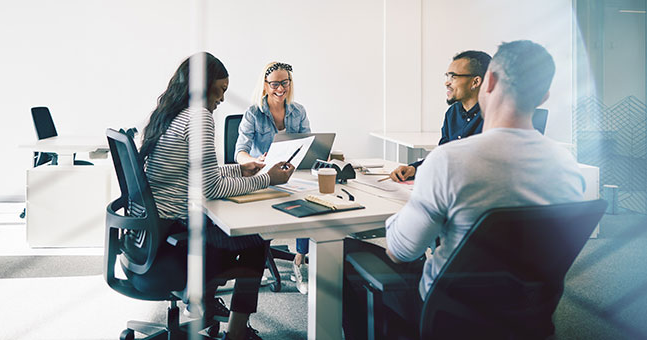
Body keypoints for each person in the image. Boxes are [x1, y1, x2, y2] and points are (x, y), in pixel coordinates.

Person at [343, 40, 586, 339]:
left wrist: (419, 203)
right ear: (544, 96)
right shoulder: (569, 168)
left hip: (448, 316)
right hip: (529, 317)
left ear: (488, 82)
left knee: (348, 253)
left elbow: (400, 251)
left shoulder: (449, 162)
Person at [139, 52, 294, 340]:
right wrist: (268, 179)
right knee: (256, 240)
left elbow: (201, 173)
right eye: (221, 90)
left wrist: (240, 169)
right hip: (174, 237)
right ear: (204, 85)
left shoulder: (172, 114)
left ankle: (206, 306)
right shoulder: (199, 117)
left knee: (230, 230)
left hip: (150, 236)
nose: (222, 98)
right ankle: (236, 331)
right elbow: (211, 188)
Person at [234, 61, 312, 294]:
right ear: (265, 86)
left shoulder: (298, 111)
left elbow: (308, 143)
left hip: (292, 174)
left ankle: (300, 259)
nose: (281, 88)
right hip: (264, 176)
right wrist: (253, 161)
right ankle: (255, 261)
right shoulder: (254, 114)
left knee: (309, 203)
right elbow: (239, 152)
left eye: (285, 82)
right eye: (275, 83)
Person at [389, 50, 492, 182]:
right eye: (447, 77)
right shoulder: (452, 113)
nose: (447, 83)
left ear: (475, 82)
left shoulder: (496, 116)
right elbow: (443, 157)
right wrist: (414, 169)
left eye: (453, 77)